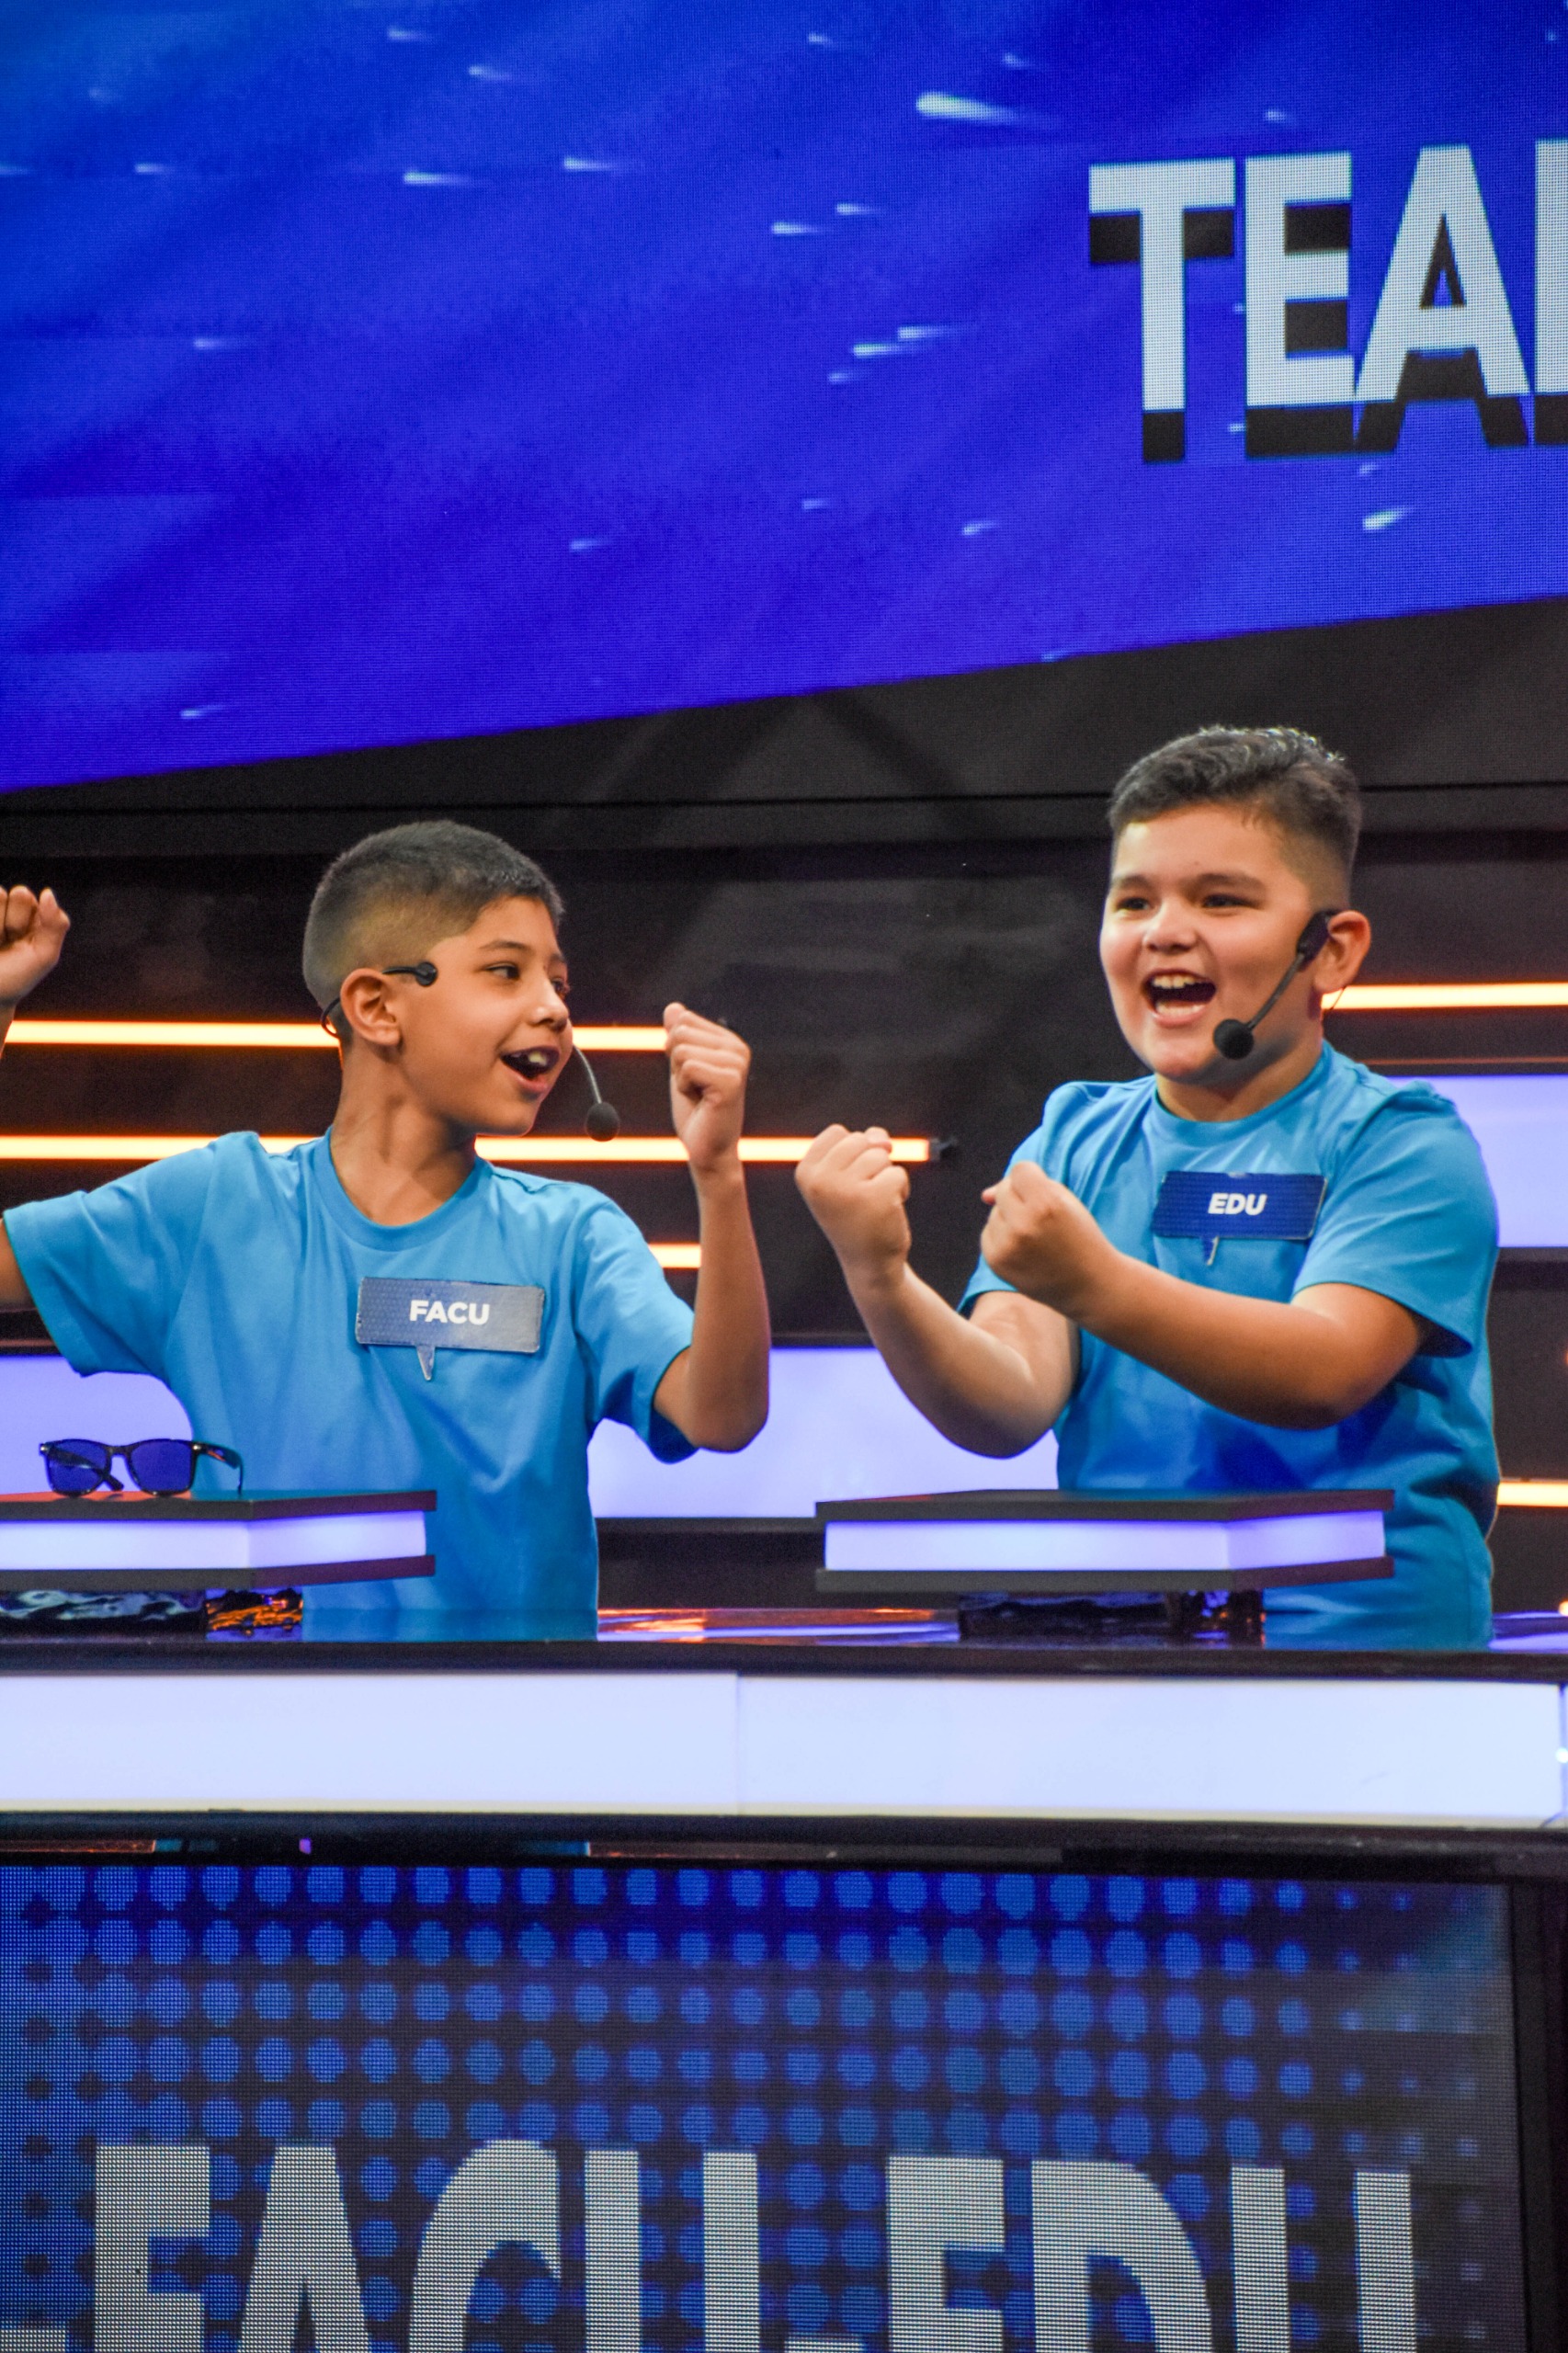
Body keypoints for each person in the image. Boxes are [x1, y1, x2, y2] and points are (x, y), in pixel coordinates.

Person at [797, 728, 1499, 1648]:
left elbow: (1323, 1371)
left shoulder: (1401, 1142)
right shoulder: (1075, 1134)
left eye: (1219, 899)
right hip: (1123, 1655)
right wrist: (879, 1277)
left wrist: (1095, 1284)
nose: (1165, 931)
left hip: (1366, 1661)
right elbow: (1006, 1406)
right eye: (1134, 900)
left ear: (1329, 951)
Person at [0, 823, 769, 1637]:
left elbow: (722, 1417)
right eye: (506, 972)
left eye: (557, 982)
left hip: (517, 1713)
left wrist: (719, 1175)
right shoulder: (214, 1208)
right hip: (258, 1710)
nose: (553, 1009)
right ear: (375, 1006)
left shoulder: (574, 1238)